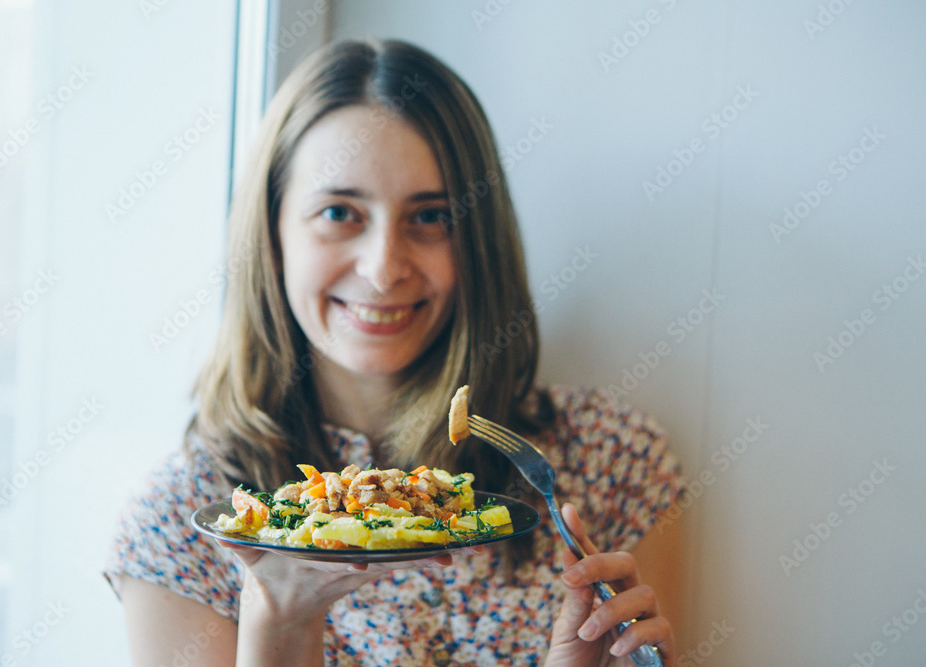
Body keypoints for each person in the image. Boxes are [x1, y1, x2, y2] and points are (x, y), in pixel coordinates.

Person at [103, 39, 686, 667]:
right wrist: (277, 627)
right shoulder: (180, 523)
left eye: (431, 216)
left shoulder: (610, 458)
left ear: (478, 240)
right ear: (272, 234)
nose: (383, 270)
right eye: (338, 212)